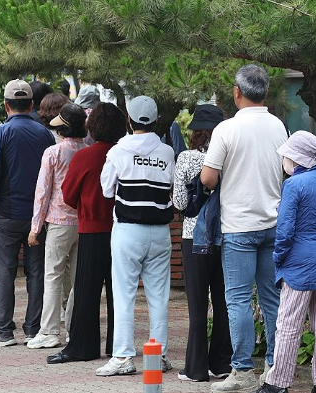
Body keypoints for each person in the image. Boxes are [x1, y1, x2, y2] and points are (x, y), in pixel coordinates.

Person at [201, 65, 287, 392]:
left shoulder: (227, 129)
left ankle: (242, 372)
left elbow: (209, 178)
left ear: (237, 92)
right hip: (273, 224)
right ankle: (275, 369)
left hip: (238, 226)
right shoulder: (279, 127)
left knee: (237, 299)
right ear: (265, 92)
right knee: (272, 299)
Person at [256, 131, 316, 393]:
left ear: (297, 159)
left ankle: (277, 383)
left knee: (289, 325)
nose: (284, 160)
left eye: (286, 156)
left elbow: (284, 231)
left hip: (299, 265)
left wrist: (279, 258)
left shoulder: (294, 185)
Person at [96, 95, 175, 377]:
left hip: (127, 230)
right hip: (160, 232)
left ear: (129, 120)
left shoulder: (118, 150)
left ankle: (123, 357)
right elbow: (172, 188)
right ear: (156, 121)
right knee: (158, 296)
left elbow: (107, 190)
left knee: (124, 295)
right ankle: (159, 355)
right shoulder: (167, 152)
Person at [46, 103, 123, 365]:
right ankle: (117, 344)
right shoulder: (123, 154)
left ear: (92, 126)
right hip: (121, 230)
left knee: (86, 291)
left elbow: (68, 196)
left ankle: (82, 346)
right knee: (118, 292)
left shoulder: (85, 157)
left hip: (91, 228)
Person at [0, 79, 55, 346]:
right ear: (31, 104)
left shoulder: (0, 133)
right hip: (37, 216)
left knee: (4, 272)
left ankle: (3, 331)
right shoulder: (44, 134)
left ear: (5, 105)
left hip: (4, 214)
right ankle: (32, 328)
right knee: (37, 271)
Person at [172, 104, 232, 382]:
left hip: (193, 238)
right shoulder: (230, 157)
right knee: (223, 302)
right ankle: (221, 364)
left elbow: (181, 202)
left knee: (197, 304)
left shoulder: (186, 158)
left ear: (196, 131)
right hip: (228, 235)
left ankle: (195, 368)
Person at [26, 104, 88, 349]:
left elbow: (43, 192)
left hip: (58, 222)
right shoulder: (89, 152)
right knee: (76, 280)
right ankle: (74, 329)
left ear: (62, 129)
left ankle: (50, 331)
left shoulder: (52, 153)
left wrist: (35, 227)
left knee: (53, 276)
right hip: (83, 222)